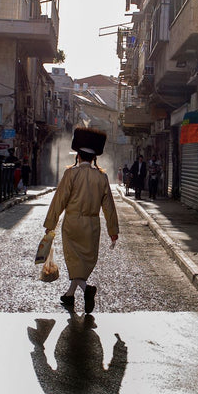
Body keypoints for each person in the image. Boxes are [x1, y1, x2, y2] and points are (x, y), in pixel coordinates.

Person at [42, 127, 119, 314]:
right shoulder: (102, 177)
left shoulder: (71, 174)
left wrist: (50, 224)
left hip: (72, 224)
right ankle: (70, 295)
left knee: (75, 261)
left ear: (78, 156)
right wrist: (113, 230)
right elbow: (109, 206)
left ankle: (84, 290)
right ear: (94, 158)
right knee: (83, 262)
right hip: (92, 225)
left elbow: (59, 200)